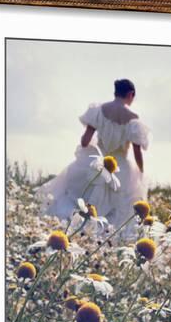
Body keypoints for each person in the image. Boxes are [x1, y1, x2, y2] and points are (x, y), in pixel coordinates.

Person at [36, 79, 150, 230]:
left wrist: (95, 146)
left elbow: (84, 141)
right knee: (118, 210)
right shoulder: (134, 120)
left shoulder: (98, 110)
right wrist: (140, 172)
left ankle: (74, 229)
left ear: (116, 92)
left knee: (83, 200)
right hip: (120, 168)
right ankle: (109, 238)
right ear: (130, 94)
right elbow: (137, 153)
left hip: (97, 160)